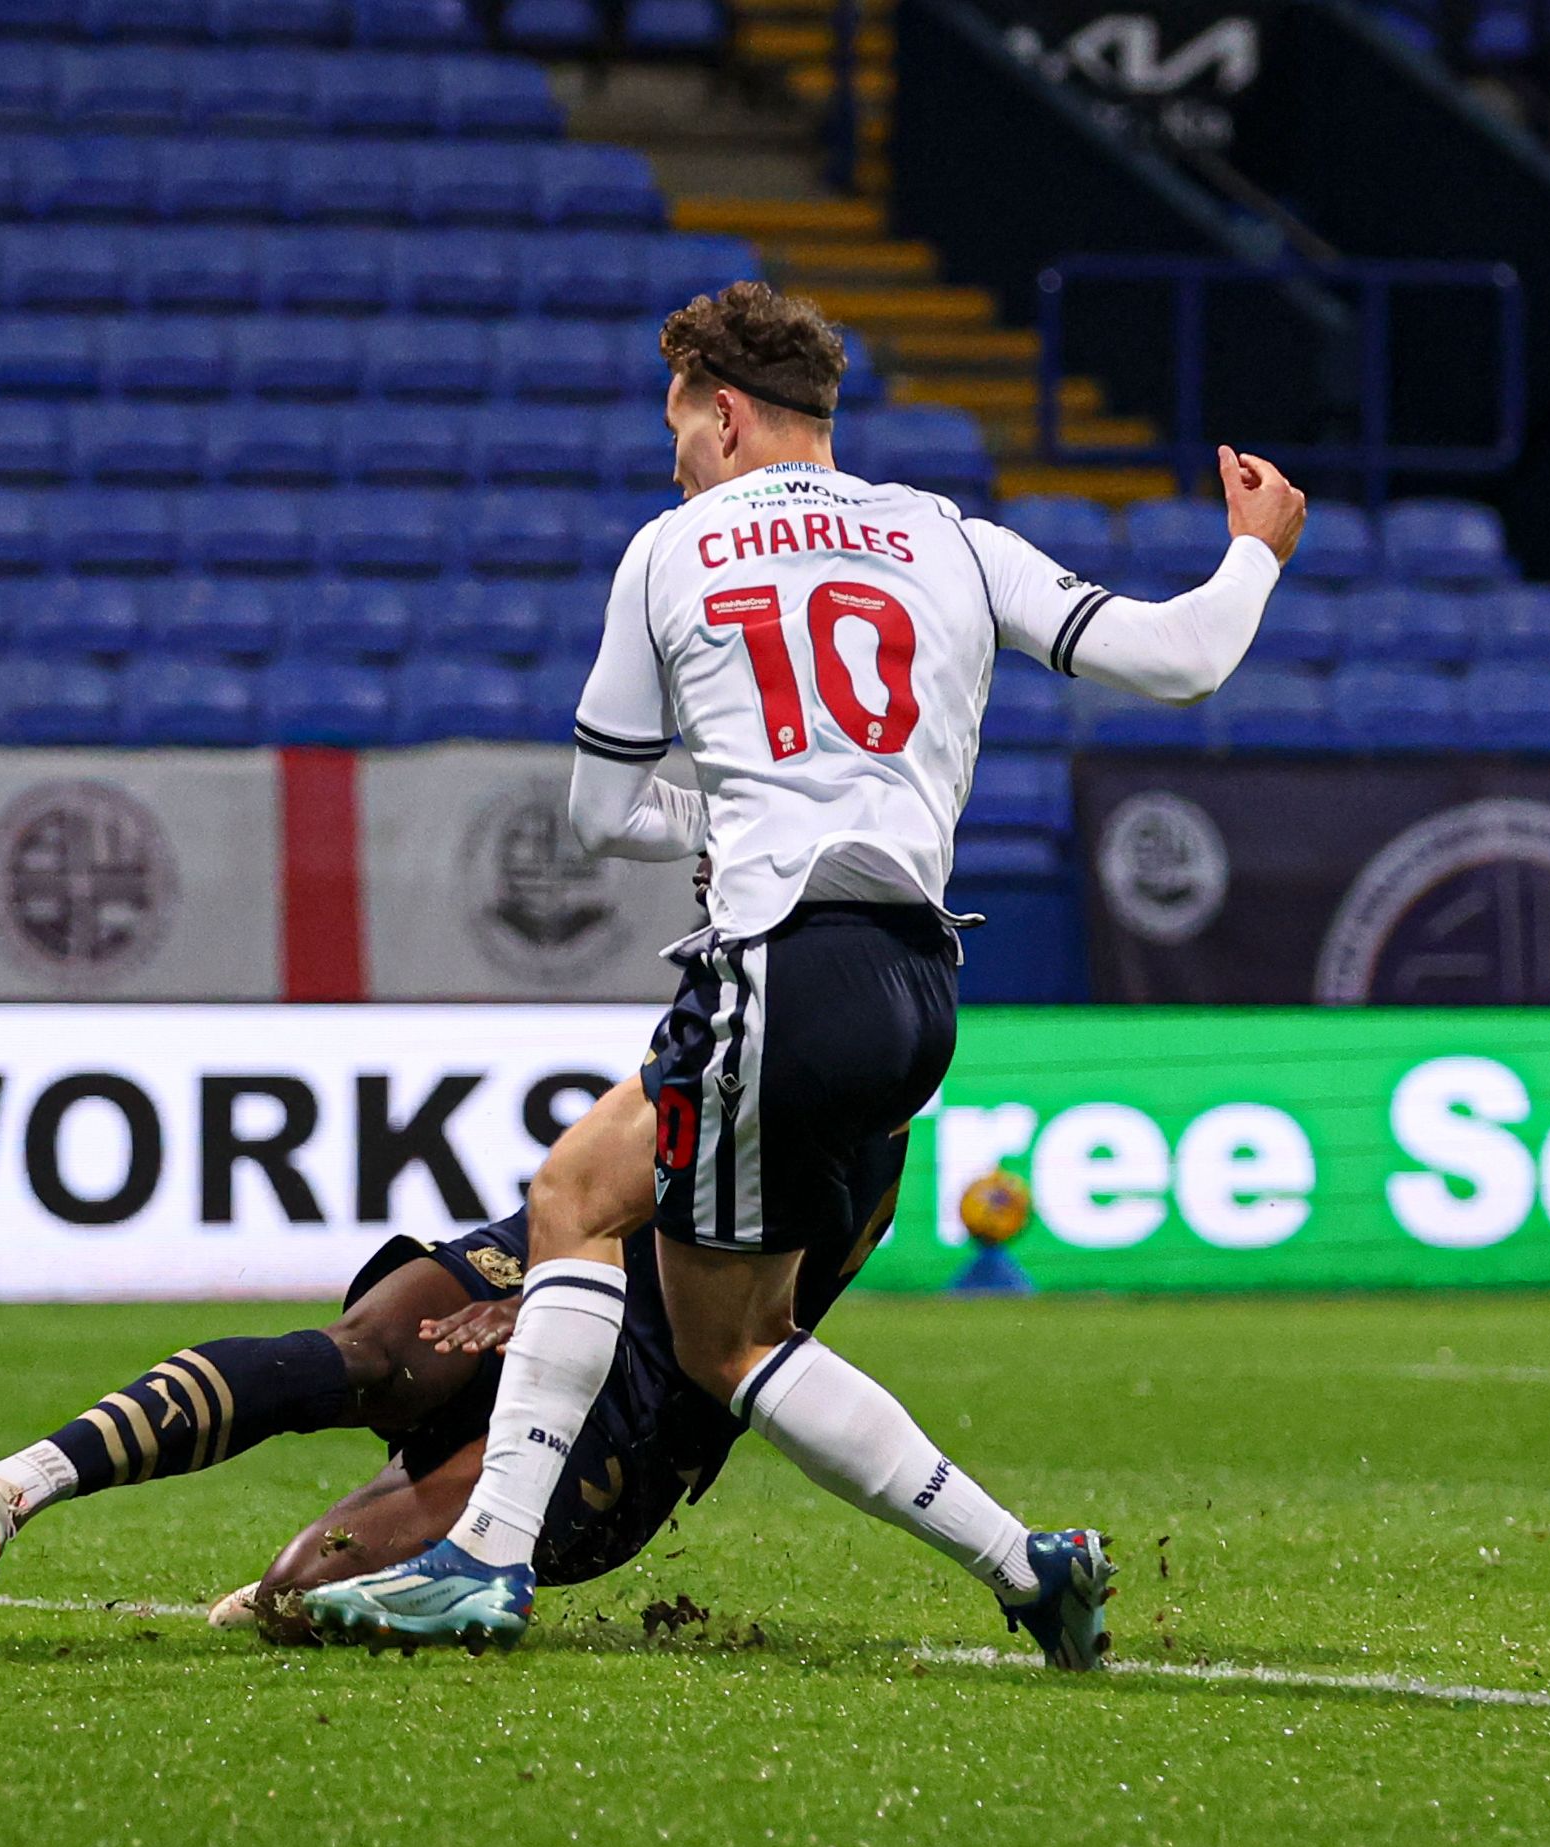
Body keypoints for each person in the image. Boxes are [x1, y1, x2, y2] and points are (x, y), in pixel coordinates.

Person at [301, 281, 1309, 1661]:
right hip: (914, 984)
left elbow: (597, 814)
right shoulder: (947, 536)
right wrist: (1255, 547)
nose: (672, 454)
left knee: (694, 1313)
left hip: (777, 968)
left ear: (720, 411)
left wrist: (713, 816)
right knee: (604, 1213)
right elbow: (1181, 659)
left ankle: (490, 1559)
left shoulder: (672, 547)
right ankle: (1031, 1567)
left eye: (676, 423)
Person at [0, 1079, 901, 1647]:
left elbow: (733, 1326)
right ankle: (15, 1482)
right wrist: (541, 1284)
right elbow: (590, 1185)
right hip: (540, 1259)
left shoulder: (851, 1145)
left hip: (635, 1396)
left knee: (293, 1596)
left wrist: (556, 1316)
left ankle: (389, 1551)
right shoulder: (723, 995)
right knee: (372, 1352)